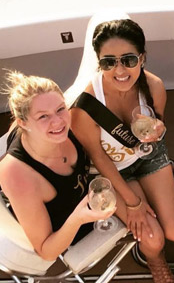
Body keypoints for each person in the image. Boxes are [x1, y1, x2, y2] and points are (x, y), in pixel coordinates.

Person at [70, 17, 174, 283]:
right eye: (108, 62)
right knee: (154, 240)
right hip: (110, 172)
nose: (119, 70)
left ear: (142, 58)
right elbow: (97, 158)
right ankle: (155, 259)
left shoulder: (154, 87)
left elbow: (156, 129)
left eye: (128, 59)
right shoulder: (85, 105)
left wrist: (160, 129)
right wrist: (134, 202)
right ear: (99, 63)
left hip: (147, 157)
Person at [0, 72, 113, 260]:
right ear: (23, 123)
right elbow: (47, 252)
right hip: (71, 226)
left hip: (91, 193)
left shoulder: (59, 124)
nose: (58, 122)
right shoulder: (18, 177)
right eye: (43, 116)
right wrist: (79, 218)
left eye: (60, 109)